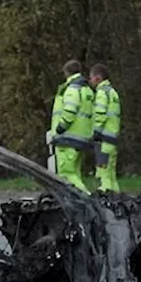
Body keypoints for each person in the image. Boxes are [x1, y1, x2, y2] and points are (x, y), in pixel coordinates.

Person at [49, 60, 94, 193]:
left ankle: (88, 201)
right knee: (75, 173)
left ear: (66, 72)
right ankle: (80, 206)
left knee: (66, 174)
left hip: (67, 138)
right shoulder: (87, 90)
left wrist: (60, 127)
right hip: (82, 138)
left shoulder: (72, 89)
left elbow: (70, 110)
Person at [90, 63, 121, 192]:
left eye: (91, 77)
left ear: (98, 78)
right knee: (112, 175)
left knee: (104, 175)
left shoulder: (102, 93)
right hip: (112, 139)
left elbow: (100, 114)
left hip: (104, 140)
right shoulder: (113, 93)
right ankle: (118, 201)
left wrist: (96, 131)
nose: (90, 80)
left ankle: (107, 201)